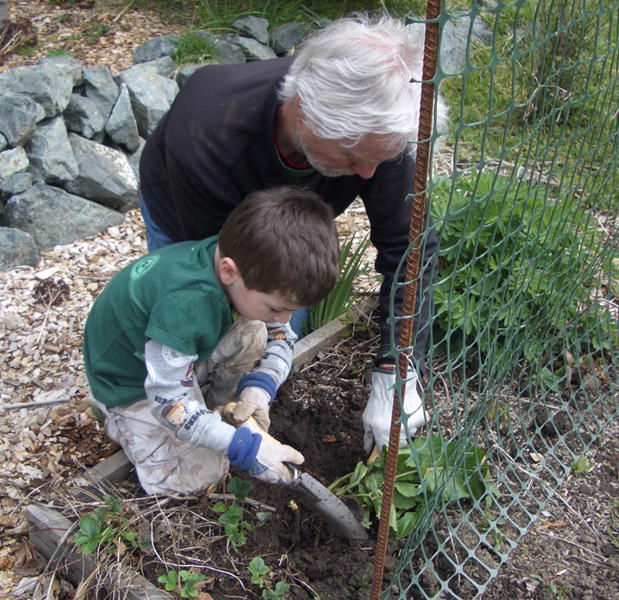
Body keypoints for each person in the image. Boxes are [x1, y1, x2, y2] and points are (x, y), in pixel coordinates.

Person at [138, 15, 449, 453]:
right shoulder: (209, 133)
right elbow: (223, 278)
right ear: (304, 114)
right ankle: (171, 423)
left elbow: (409, 248)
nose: (367, 174)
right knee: (191, 329)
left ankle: (236, 413)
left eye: (378, 159)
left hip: (282, 222)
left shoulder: (374, 134)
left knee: (273, 333)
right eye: (353, 157)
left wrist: (396, 367)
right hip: (187, 206)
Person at [83, 186, 341, 496]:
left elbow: (282, 338)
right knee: (202, 478)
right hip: (132, 381)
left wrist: (262, 386)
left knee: (253, 331)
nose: (284, 319)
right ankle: (116, 415)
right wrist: (241, 449)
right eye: (276, 308)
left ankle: (223, 412)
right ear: (229, 271)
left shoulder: (241, 265)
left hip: (170, 351)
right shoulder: (188, 304)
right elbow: (170, 404)